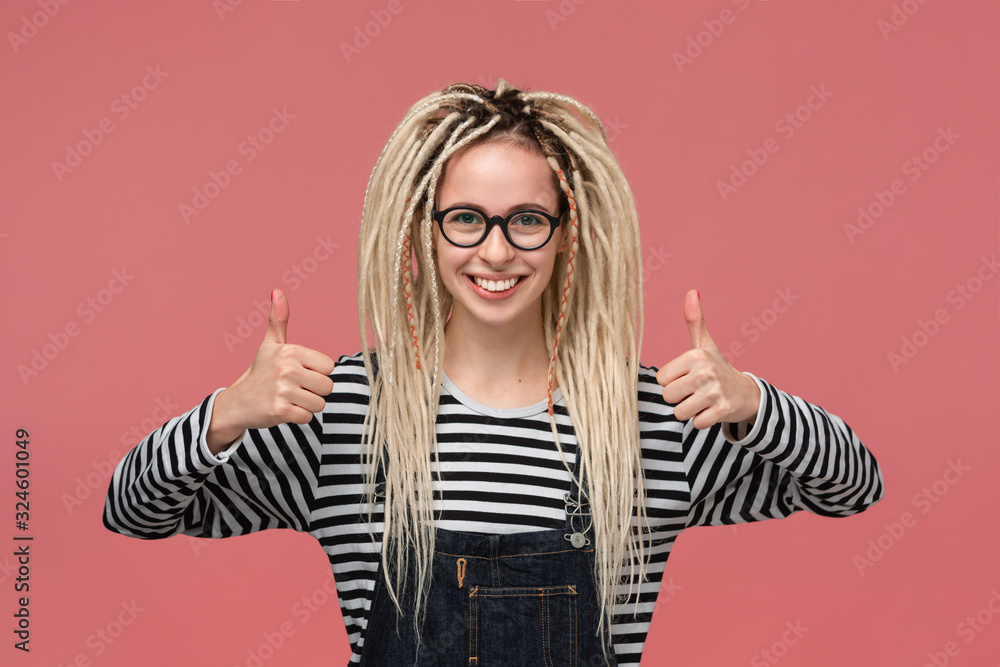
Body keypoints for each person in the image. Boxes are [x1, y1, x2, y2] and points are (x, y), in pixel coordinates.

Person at [103, 79, 885, 666]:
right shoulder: (345, 413)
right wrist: (223, 416)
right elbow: (133, 510)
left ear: (566, 236)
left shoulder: (645, 421)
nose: (497, 251)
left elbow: (852, 486)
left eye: (528, 221)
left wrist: (755, 402)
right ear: (425, 230)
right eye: (468, 218)